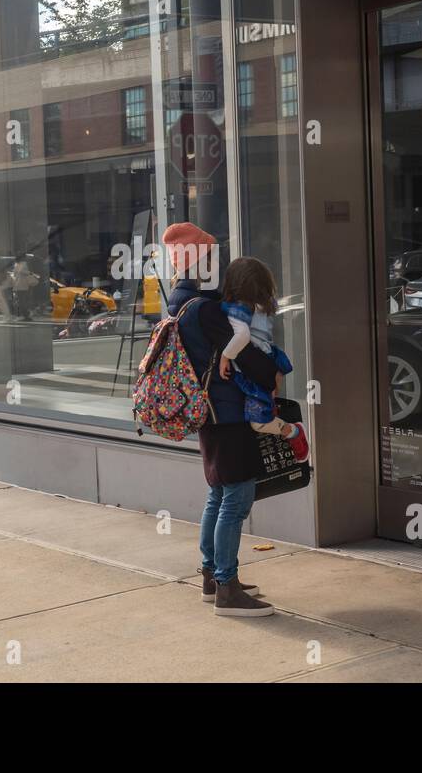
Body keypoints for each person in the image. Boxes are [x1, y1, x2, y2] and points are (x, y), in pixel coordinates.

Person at [162, 222, 279, 618]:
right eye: (211, 254)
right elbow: (247, 358)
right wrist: (272, 372)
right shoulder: (207, 309)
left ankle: (213, 576)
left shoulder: (179, 299)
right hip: (226, 413)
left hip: (208, 413)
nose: (218, 261)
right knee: (237, 497)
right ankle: (226, 587)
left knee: (218, 493)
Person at [218, 257, 310, 462]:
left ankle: (292, 431)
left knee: (258, 422)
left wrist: (225, 356)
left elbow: (242, 336)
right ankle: (275, 415)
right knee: (267, 402)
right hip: (270, 360)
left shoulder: (237, 310)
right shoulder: (265, 306)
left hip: (253, 373)